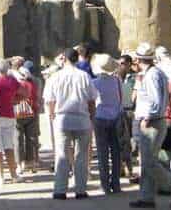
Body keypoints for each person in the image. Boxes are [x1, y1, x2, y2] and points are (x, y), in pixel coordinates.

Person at [129, 43, 171, 209]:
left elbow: (155, 100)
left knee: (149, 162)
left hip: (152, 122)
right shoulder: (156, 73)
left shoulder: (153, 75)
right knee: (148, 162)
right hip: (155, 120)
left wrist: (148, 117)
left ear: (140, 59)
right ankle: (146, 198)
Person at [43, 48, 98, 200]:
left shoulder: (55, 77)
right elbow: (92, 100)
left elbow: (50, 100)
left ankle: (60, 190)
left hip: (62, 118)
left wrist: (53, 115)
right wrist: (92, 117)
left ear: (64, 59)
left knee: (61, 155)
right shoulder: (84, 76)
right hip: (82, 119)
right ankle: (80, 190)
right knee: (81, 156)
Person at [91, 53, 123, 194]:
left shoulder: (94, 83)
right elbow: (121, 98)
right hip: (115, 117)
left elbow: (91, 101)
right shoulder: (117, 81)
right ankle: (115, 184)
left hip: (100, 117)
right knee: (116, 151)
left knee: (102, 152)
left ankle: (105, 184)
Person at [14, 63, 39, 174]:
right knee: (31, 139)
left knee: (18, 140)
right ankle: (31, 162)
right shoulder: (32, 84)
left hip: (18, 114)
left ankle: (20, 164)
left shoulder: (16, 84)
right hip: (31, 113)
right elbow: (36, 98)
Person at [117, 54, 138, 182]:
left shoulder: (135, 78)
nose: (121, 65)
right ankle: (121, 168)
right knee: (121, 142)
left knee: (130, 143)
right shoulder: (116, 77)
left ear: (129, 64)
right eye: (120, 63)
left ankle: (130, 170)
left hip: (131, 112)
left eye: (123, 63)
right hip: (120, 112)